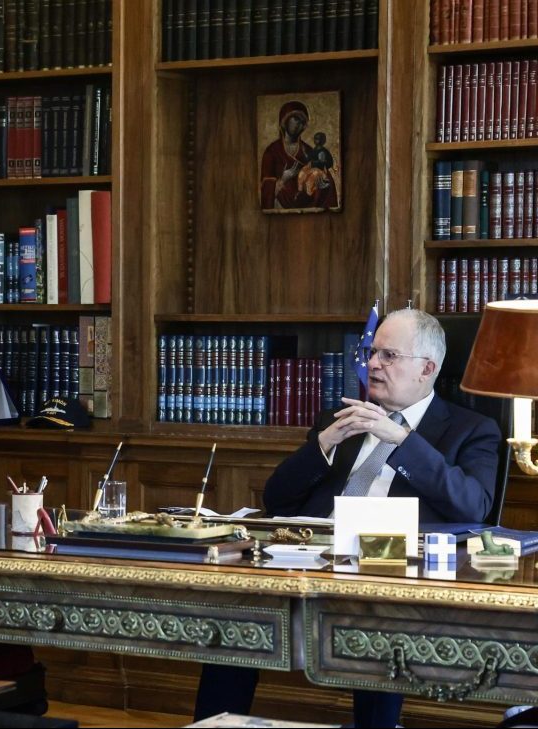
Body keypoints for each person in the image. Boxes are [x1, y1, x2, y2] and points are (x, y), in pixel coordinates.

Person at [194, 309, 501, 727]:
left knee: (379, 623)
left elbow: (474, 506)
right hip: (309, 562)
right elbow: (277, 499)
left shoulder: (471, 429)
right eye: (372, 352)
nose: (373, 364)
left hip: (390, 574)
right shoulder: (341, 420)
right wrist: (323, 443)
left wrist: (402, 441)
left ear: (427, 369)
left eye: (388, 355)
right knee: (237, 612)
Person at [259, 100, 339, 211]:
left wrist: (321, 182)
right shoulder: (272, 151)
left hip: (308, 209)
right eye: (296, 119)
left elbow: (325, 179)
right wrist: (283, 179)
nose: (299, 124)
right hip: (280, 209)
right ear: (285, 120)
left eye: (302, 121)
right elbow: (266, 189)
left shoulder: (309, 151)